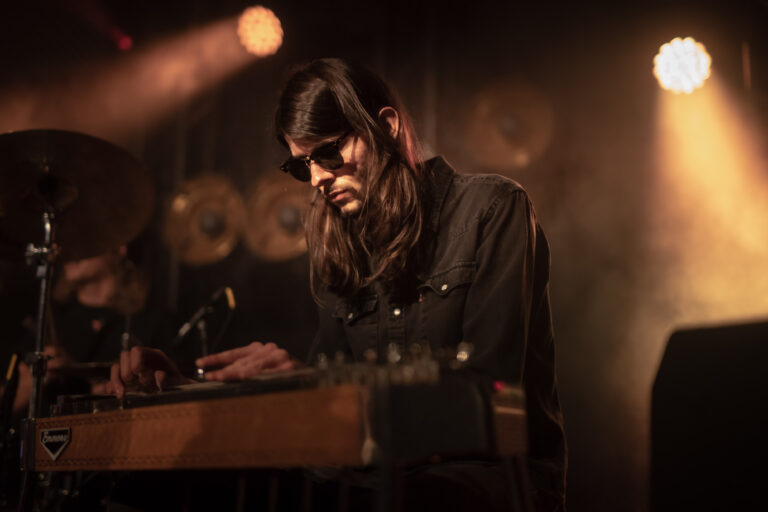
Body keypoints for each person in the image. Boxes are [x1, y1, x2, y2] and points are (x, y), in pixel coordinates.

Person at [107, 58, 567, 511]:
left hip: (477, 481)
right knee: (165, 487)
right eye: (301, 166)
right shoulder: (336, 242)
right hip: (368, 480)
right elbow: (327, 418)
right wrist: (190, 395)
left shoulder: (492, 207)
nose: (318, 177)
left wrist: (315, 385)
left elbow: (485, 400)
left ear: (385, 126)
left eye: (328, 152)